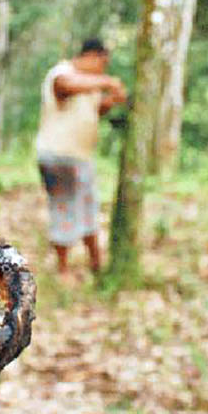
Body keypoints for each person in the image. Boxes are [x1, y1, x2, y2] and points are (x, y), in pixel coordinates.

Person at [36, 38, 127, 274]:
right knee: (64, 208)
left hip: (82, 156)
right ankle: (62, 269)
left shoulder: (89, 84)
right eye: (102, 63)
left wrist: (111, 101)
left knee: (89, 210)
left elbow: (93, 111)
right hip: (57, 156)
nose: (103, 69)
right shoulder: (62, 73)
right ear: (90, 56)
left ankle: (96, 266)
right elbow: (65, 86)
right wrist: (106, 82)